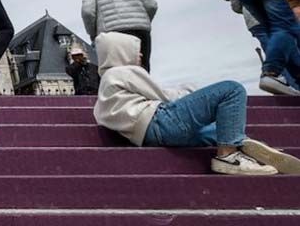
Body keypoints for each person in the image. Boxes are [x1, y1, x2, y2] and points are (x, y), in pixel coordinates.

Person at [93, 31, 300, 175]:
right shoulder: (123, 72)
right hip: (161, 120)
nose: (139, 54)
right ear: (120, 52)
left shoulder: (106, 84)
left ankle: (241, 146)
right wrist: (192, 91)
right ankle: (228, 156)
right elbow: (165, 96)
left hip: (150, 136)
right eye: (134, 49)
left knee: (216, 131)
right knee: (232, 89)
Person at [80, 0, 158, 71]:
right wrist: (144, 21)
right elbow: (152, 5)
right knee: (143, 70)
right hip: (140, 31)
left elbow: (87, 12)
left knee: (119, 72)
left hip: (112, 34)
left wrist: (93, 34)